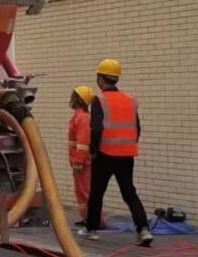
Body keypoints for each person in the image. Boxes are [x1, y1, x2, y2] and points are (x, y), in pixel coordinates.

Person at [85, 59, 153, 246]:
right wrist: (129, 145)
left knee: (97, 192)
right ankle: (144, 229)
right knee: (129, 192)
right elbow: (137, 127)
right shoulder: (130, 99)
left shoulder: (99, 100)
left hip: (105, 154)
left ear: (100, 78)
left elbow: (96, 129)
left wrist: (93, 150)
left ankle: (92, 229)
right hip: (127, 154)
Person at [66, 86, 102, 228]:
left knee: (86, 191)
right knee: (81, 191)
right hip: (79, 161)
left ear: (78, 99)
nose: (71, 99)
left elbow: (83, 143)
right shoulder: (80, 116)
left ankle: (95, 220)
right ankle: (87, 218)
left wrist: (78, 162)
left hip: (83, 163)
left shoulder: (83, 118)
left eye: (73, 96)